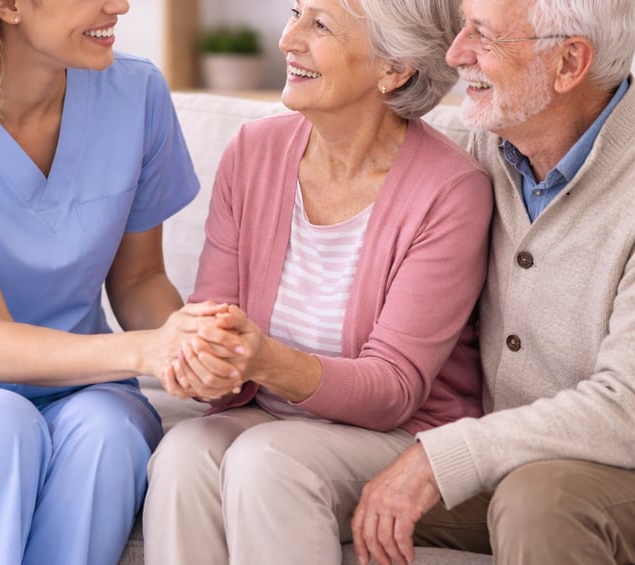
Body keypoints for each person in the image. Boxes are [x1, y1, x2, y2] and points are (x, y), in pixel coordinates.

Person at [142, 0, 493, 563]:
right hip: (266, 416)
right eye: (295, 11)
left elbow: (393, 390)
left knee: (269, 460)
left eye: (320, 23)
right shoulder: (251, 152)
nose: (288, 39)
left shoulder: (451, 190)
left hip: (395, 435)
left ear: (393, 68)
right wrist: (205, 362)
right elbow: (216, 325)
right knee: (183, 451)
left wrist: (259, 357)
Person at [0, 0, 204, 563]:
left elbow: (141, 279)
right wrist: (149, 351)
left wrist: (194, 344)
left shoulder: (137, 94)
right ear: (8, 6)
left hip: (82, 388)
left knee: (110, 434)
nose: (119, 6)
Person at [350, 0, 635, 564]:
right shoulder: (478, 148)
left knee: (538, 500)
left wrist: (445, 456)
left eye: (482, 35)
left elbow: (627, 407)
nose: (456, 55)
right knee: (300, 473)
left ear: (568, 62)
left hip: (610, 468)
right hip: (507, 455)